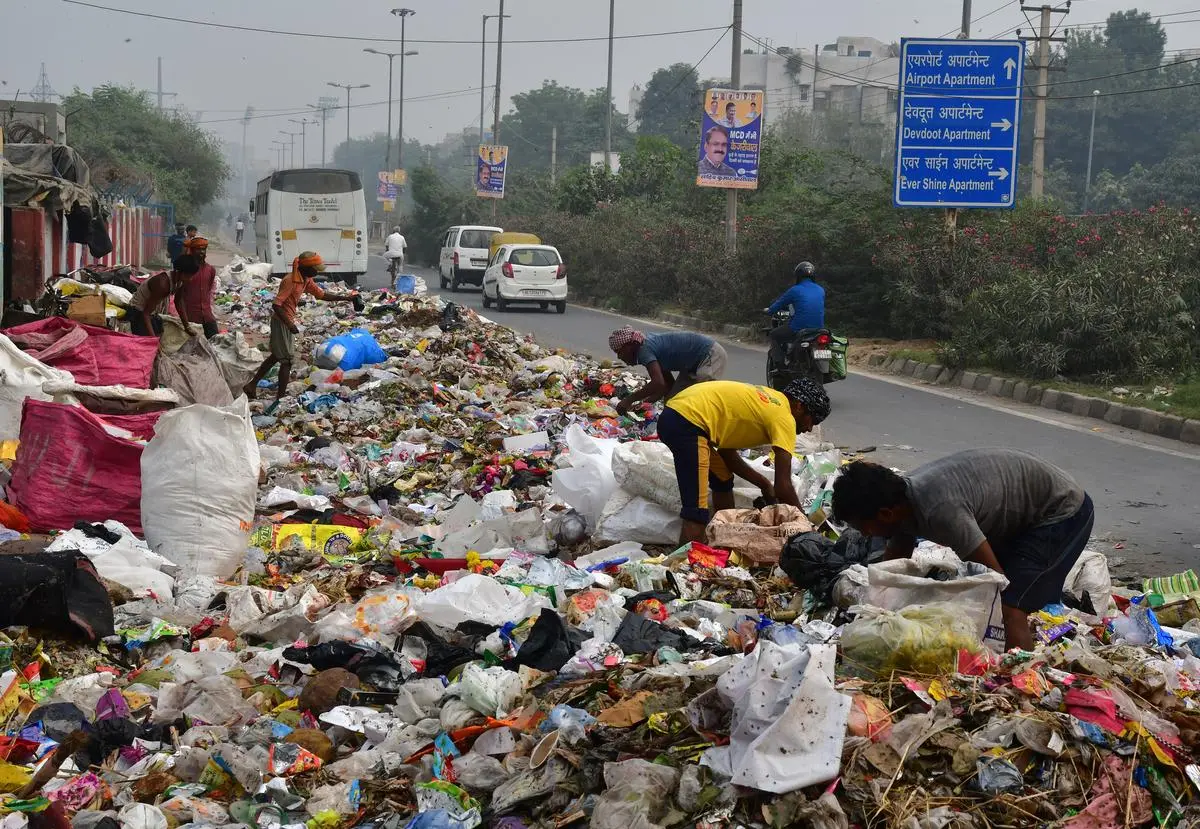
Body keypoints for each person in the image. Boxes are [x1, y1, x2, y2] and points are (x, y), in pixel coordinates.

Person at [830, 449, 1094, 650]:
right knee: (1012, 595)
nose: (865, 535)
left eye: (865, 528)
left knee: (1011, 604)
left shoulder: (941, 511)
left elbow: (994, 579)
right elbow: (891, 573)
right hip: (1018, 518)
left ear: (885, 514)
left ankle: (1020, 684)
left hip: (1061, 511)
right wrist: (870, 614)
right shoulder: (901, 502)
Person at [658, 378, 831, 544]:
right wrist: (805, 526)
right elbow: (783, 486)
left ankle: (725, 537)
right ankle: (681, 567)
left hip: (677, 413)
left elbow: (727, 454)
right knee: (696, 511)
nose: (809, 428)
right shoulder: (785, 417)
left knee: (722, 479)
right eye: (812, 420)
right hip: (688, 422)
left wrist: (763, 484)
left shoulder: (770, 401)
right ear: (799, 406)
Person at [243, 252, 359, 403]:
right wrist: (290, 325)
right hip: (282, 322)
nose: (317, 272)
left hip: (287, 321)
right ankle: (280, 398)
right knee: (287, 361)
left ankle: (252, 385)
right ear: (305, 267)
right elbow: (277, 305)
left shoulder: (305, 279)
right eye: (315, 268)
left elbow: (321, 295)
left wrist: (346, 298)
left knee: (277, 356)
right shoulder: (291, 280)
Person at [608, 326, 728, 413]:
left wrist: (629, 400)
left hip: (709, 355)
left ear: (629, 346)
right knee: (673, 402)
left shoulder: (645, 350)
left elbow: (657, 383)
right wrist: (643, 405)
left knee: (699, 402)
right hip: (691, 365)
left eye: (619, 352)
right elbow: (666, 386)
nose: (619, 356)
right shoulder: (649, 351)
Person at [129, 254, 199, 338]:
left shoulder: (181, 280)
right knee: (148, 343)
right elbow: (146, 313)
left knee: (161, 334)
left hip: (151, 313)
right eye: (188, 276)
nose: (190, 279)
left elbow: (179, 302)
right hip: (137, 311)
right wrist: (153, 340)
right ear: (179, 272)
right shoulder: (162, 285)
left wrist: (187, 327)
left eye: (192, 276)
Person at [766, 261, 826, 358]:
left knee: (774, 335)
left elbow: (779, 304)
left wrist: (769, 311)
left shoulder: (795, 290)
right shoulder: (821, 290)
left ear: (798, 276)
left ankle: (779, 365)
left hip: (799, 327)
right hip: (819, 329)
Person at [178, 236, 219, 339]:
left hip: (207, 315)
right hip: (191, 317)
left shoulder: (210, 270)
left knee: (216, 343)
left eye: (203, 249)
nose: (201, 252)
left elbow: (208, 290)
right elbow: (180, 296)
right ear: (192, 250)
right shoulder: (186, 271)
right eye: (198, 249)